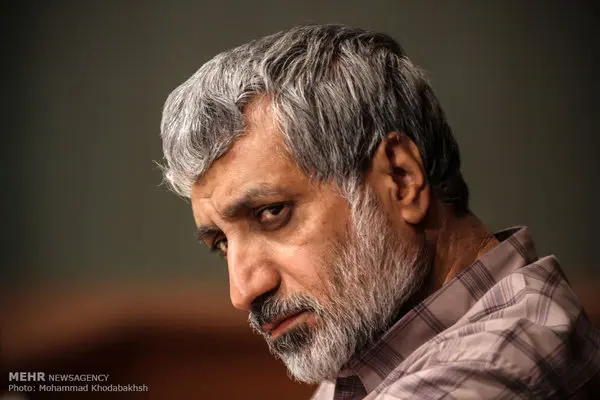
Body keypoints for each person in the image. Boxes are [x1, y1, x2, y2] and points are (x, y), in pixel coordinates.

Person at [159, 24, 600, 399]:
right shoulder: (374, 337)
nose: (242, 292)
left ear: (401, 180)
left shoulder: (481, 376)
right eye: (221, 242)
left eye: (272, 213)